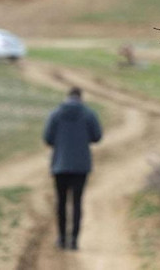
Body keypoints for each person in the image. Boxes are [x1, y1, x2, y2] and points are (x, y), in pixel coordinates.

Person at [43, 86, 102, 250]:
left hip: (60, 165)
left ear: (67, 96)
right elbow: (97, 137)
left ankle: (62, 238)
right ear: (81, 97)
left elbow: (47, 138)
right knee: (77, 203)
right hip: (81, 166)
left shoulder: (55, 114)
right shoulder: (89, 114)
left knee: (61, 202)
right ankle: (74, 241)